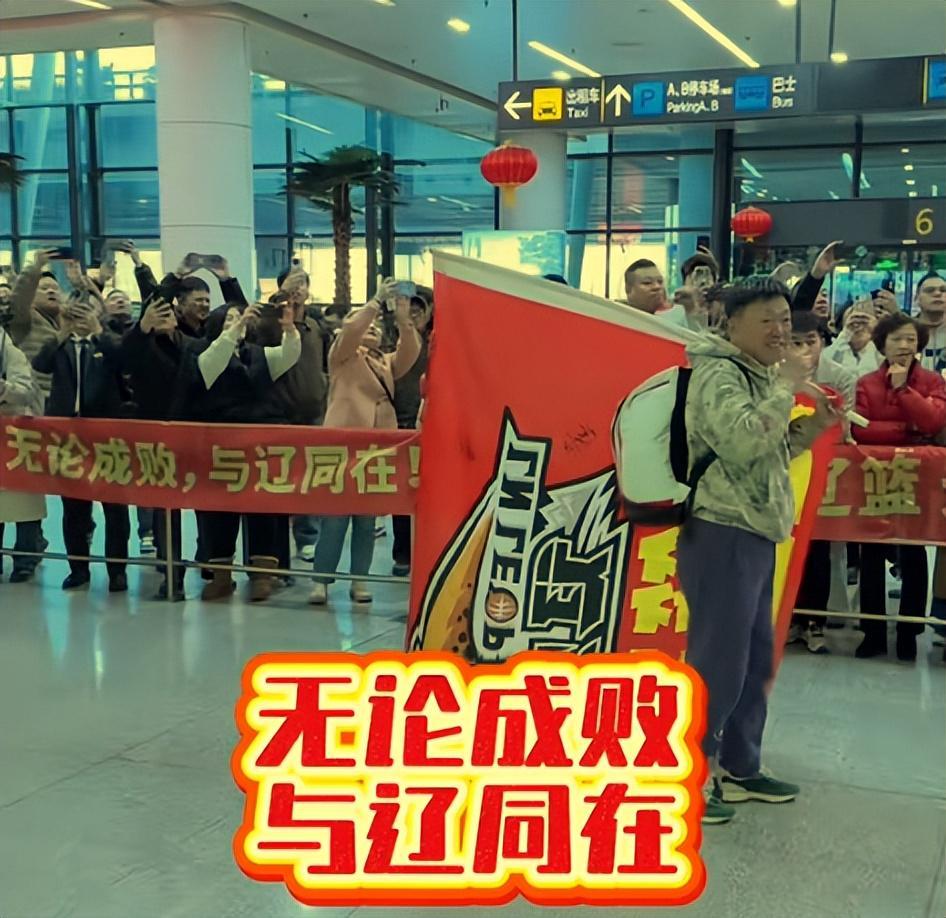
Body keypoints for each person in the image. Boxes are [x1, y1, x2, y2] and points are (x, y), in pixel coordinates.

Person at [676, 277, 840, 825]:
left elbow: (770, 450)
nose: (780, 331)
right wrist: (785, 388)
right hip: (721, 530)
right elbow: (743, 440)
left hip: (756, 529)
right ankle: (690, 777)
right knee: (717, 662)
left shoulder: (760, 374)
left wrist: (814, 426)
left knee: (753, 658)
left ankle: (742, 766)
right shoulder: (717, 373)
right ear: (732, 324)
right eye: (766, 320)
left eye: (785, 320)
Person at [174, 301, 301, 602]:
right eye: (230, 318)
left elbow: (287, 356)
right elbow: (210, 368)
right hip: (221, 445)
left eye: (241, 318)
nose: (238, 322)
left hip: (259, 444)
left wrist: (290, 332)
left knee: (263, 508)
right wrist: (234, 329)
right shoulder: (202, 351)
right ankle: (221, 575)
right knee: (219, 511)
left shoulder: (257, 353)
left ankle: (261, 574)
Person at [309, 279, 420, 606]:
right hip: (342, 448)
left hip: (376, 449)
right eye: (366, 326)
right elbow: (351, 330)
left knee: (366, 520)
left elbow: (410, 352)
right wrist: (374, 303)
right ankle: (321, 580)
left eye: (376, 328)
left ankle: (360, 579)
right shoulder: (342, 355)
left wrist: (403, 318)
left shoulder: (385, 362)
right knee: (334, 518)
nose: (371, 329)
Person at [852, 313, 946, 661]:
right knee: (871, 552)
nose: (904, 345)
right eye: (896, 339)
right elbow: (861, 428)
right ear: (882, 344)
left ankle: (909, 631)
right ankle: (872, 631)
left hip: (918, 476)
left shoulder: (932, 381)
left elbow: (933, 421)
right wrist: (907, 431)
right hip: (875, 476)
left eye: (910, 339)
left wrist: (904, 390)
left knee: (914, 551)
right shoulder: (866, 383)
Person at [32, 298, 131, 592]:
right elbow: (40, 363)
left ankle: (117, 570)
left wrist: (97, 329)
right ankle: (78, 569)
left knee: (115, 506)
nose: (81, 318)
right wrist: (62, 332)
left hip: (106, 436)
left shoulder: (107, 341)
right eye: (75, 313)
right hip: (68, 436)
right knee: (74, 507)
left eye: (85, 312)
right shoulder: (61, 345)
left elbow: (124, 360)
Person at [785, 310, 857, 655]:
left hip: (824, 468)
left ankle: (815, 622)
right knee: (784, 544)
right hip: (786, 465)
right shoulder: (775, 372)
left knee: (817, 549)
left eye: (810, 342)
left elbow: (845, 425)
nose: (803, 349)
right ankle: (787, 619)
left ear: (823, 342)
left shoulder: (840, 376)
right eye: (795, 342)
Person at [270, 265, 331, 565]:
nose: (298, 289)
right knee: (279, 480)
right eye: (292, 283)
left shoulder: (317, 325)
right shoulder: (271, 322)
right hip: (280, 413)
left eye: (302, 283)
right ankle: (275, 549)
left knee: (310, 478)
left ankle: (307, 538)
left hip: (314, 412)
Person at [391, 286, 433, 577]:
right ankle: (403, 553)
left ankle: (427, 551)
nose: (415, 312)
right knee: (401, 493)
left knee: (429, 493)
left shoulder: (439, 340)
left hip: (431, 425)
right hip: (398, 423)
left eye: (421, 306)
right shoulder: (394, 338)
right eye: (411, 306)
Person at [0, 327, 46, 583]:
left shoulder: (8, 348)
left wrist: (3, 389)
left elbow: (24, 390)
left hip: (17, 436)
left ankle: (26, 559)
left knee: (25, 502)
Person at [8, 248, 64, 399]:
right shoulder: (25, 320)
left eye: (55, 288)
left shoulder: (66, 323)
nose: (51, 291)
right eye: (44, 288)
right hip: (36, 399)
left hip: (64, 401)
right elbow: (18, 299)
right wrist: (34, 268)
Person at [822, 302, 883, 376]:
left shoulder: (884, 353)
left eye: (864, 322)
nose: (859, 327)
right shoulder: (830, 353)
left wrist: (877, 334)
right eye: (854, 323)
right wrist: (845, 336)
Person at [914, 273, 946, 373]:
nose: (938, 294)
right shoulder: (904, 332)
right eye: (929, 290)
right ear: (917, 298)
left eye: (943, 290)